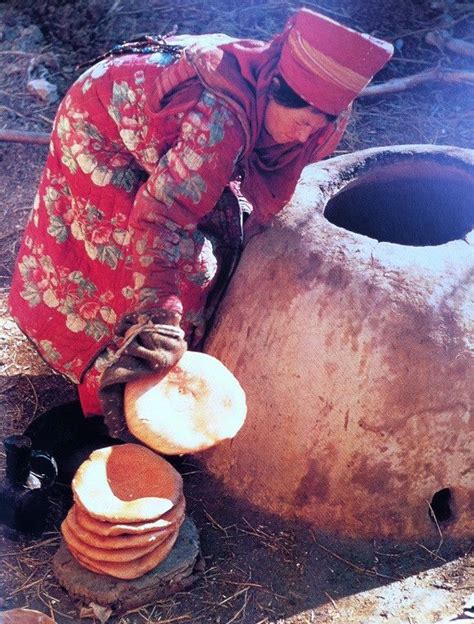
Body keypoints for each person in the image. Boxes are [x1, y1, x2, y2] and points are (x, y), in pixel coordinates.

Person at [9, 8, 393, 435]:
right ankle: (117, 390)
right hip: (102, 129)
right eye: (303, 122)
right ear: (273, 91)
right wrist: (160, 317)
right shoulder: (220, 121)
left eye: (319, 126)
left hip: (167, 139)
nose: (307, 137)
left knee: (213, 237)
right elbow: (160, 215)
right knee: (167, 267)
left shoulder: (318, 116)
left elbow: (241, 184)